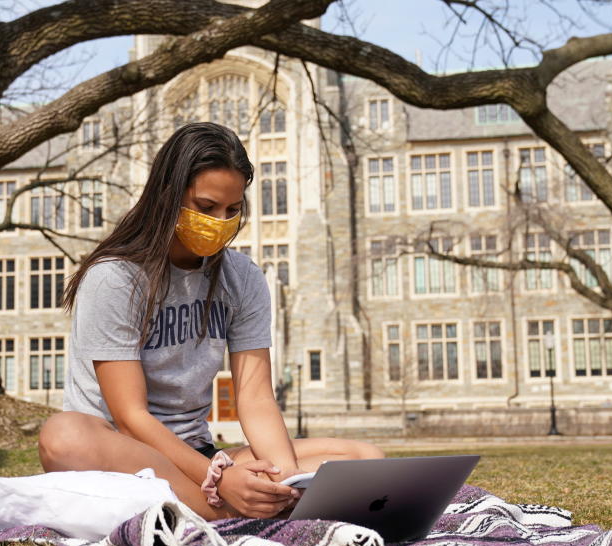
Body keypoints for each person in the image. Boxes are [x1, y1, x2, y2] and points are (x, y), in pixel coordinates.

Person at [38, 122, 383, 520]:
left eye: (232, 210)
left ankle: (244, 507)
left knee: (363, 458)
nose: (220, 222)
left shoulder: (243, 277)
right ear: (168, 196)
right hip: (124, 452)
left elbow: (255, 399)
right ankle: (232, 508)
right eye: (205, 208)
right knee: (62, 436)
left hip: (199, 452)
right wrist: (220, 479)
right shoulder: (115, 278)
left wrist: (284, 480)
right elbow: (130, 418)